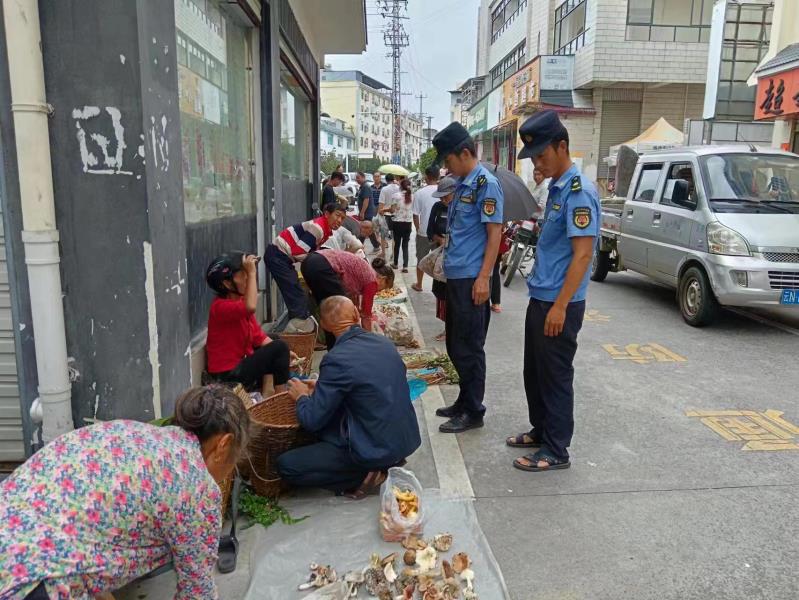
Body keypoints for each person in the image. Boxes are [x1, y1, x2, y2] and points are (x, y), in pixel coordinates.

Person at [0, 385, 251, 599]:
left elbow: (86, 534)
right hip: (32, 581)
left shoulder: (132, 432)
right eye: (235, 459)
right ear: (223, 445)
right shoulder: (197, 488)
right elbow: (198, 593)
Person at [507, 109, 600, 472]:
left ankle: (556, 449)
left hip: (559, 302)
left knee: (555, 375)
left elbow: (583, 255)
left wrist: (560, 306)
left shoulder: (579, 192)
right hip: (542, 296)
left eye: (542, 154)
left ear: (562, 146)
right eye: (533, 156)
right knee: (535, 371)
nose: (537, 162)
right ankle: (541, 430)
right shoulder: (557, 188)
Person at [277, 296, 421, 497]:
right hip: (405, 441)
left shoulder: (336, 359)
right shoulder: (384, 343)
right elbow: (369, 385)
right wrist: (322, 387)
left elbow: (312, 420)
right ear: (355, 314)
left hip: (376, 448)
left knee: (286, 465)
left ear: (324, 325)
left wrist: (301, 397)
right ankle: (381, 462)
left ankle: (363, 475)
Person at [431, 122, 504, 433]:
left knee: (470, 347)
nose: (447, 167)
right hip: (456, 277)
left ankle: (474, 411)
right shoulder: (462, 183)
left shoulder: (486, 184)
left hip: (473, 278)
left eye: (448, 160)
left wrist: (484, 278)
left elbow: (495, 233)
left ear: (464, 153)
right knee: (455, 343)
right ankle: (464, 400)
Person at [205, 252, 291, 391]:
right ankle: (281, 396)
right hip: (227, 376)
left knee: (276, 342)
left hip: (240, 366)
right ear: (227, 283)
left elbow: (258, 337)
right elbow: (250, 306)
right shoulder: (219, 307)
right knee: (279, 348)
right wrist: (251, 272)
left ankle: (268, 390)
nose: (248, 278)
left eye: (247, 273)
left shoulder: (240, 303)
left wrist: (286, 355)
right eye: (243, 274)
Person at [264, 203, 346, 333]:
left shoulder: (324, 229)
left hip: (282, 257)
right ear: (326, 214)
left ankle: (297, 331)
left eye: (343, 218)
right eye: (337, 215)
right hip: (278, 255)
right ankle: (297, 333)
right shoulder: (318, 228)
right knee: (295, 295)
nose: (340, 220)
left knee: (296, 293)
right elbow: (298, 252)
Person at [301, 251, 394, 347]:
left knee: (327, 310)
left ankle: (334, 346)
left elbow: (354, 301)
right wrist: (369, 340)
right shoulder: (372, 281)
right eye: (383, 288)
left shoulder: (365, 272)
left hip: (309, 263)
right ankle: (340, 348)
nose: (378, 291)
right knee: (337, 314)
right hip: (322, 266)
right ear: (382, 279)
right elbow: (366, 315)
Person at [426, 176, 457, 341]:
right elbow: (430, 230)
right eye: (441, 197)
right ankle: (447, 327)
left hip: (457, 259)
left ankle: (452, 329)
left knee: (454, 295)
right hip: (441, 255)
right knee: (441, 292)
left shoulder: (460, 209)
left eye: (446, 196)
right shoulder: (437, 207)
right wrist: (439, 239)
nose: (444, 200)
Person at [411, 166, 440, 292]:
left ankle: (419, 284)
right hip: (439, 234)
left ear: (426, 177)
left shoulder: (419, 193)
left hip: (423, 232)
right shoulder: (443, 191)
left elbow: (415, 215)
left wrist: (418, 229)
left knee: (421, 259)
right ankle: (438, 285)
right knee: (438, 260)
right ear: (438, 176)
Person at [388, 178, 414, 272]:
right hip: (408, 223)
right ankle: (405, 266)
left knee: (397, 244)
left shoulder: (396, 196)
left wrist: (388, 210)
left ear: (400, 186)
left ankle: (395, 264)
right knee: (405, 245)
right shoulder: (412, 196)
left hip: (397, 223)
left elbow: (392, 210)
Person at [356, 172, 379, 252]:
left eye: (358, 177)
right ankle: (376, 246)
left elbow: (366, 200)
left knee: (364, 230)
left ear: (363, 177)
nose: (357, 179)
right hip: (366, 212)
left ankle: (359, 247)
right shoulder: (362, 187)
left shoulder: (366, 187)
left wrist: (362, 212)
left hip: (367, 213)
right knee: (368, 230)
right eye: (356, 178)